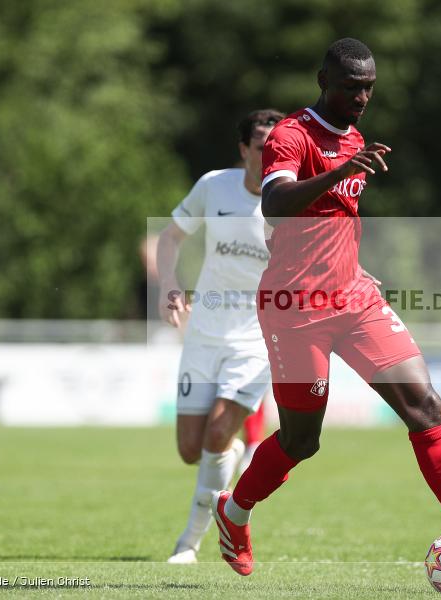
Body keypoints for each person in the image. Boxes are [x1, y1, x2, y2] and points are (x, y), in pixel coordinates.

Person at [212, 39, 441, 586]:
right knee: (302, 440)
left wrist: (355, 266)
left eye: (368, 87)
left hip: (353, 299)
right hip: (295, 309)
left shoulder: (358, 139)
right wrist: (341, 167)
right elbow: (277, 204)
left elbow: (334, 219)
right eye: (350, 87)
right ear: (324, 79)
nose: (362, 97)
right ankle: (234, 512)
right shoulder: (290, 136)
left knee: (426, 407)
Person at [158, 108, 284, 564]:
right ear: (243, 150)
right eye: (261, 146)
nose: (270, 155)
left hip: (254, 341)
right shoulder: (214, 185)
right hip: (204, 335)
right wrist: (168, 284)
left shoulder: (290, 201)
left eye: (277, 146)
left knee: (214, 434)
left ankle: (187, 544)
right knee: (191, 450)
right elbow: (170, 238)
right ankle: (227, 456)